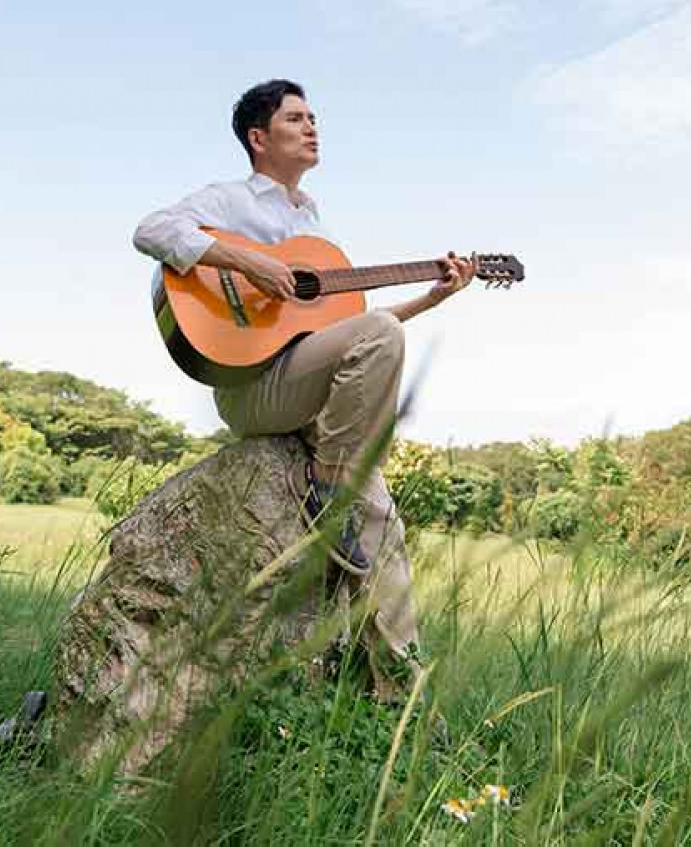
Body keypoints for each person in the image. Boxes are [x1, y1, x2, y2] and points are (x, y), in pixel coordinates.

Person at [132, 78, 475, 696]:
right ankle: (329, 483)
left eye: (314, 116)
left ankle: (402, 701)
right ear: (259, 138)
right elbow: (151, 229)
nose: (312, 126)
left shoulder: (310, 225)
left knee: (385, 528)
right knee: (372, 363)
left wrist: (431, 299)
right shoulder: (233, 201)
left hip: (310, 395)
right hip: (252, 386)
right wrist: (251, 263)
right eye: (296, 118)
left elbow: (355, 336)